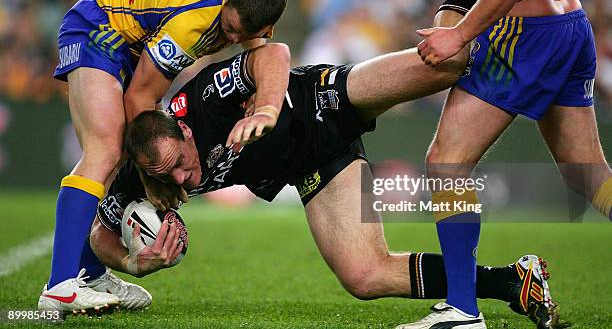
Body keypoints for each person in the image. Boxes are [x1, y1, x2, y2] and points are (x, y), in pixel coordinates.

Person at [90, 39, 556, 328]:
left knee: (445, 61)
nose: (181, 179)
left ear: (185, 130)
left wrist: (269, 107)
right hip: (313, 166)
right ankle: (513, 282)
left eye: (180, 163)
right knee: (364, 275)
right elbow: (101, 236)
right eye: (164, 176)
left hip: (322, 100)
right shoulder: (141, 176)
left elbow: (272, 53)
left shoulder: (204, 101)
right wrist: (134, 263)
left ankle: (515, 24)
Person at [39, 0, 293, 315]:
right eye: (229, 26)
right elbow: (143, 96)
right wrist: (152, 177)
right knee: (107, 150)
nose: (232, 36)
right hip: (101, 31)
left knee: (114, 156)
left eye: (243, 34)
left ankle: (89, 274)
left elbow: (256, 35)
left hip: (138, 39)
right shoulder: (189, 24)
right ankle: (59, 286)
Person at [405, 0, 612, 328]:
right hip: (568, 23)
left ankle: (462, 310)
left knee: (448, 161)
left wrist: (458, 35)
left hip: (526, 34)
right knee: (586, 174)